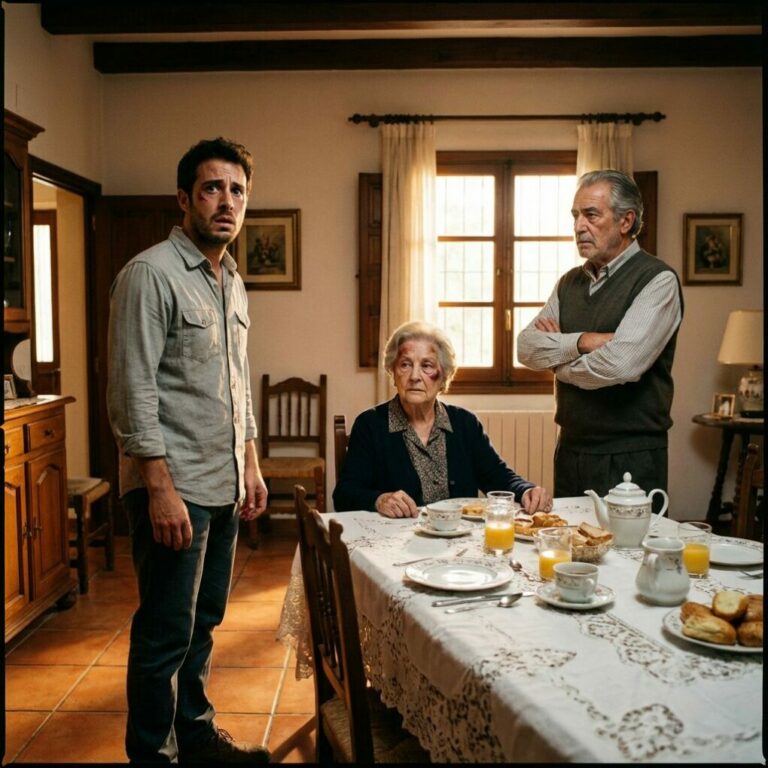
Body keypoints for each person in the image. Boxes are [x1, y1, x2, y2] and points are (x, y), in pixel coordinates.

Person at [107, 138, 270, 764]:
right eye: (211, 188)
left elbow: (236, 380)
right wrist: (158, 486)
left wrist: (251, 464)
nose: (226, 201)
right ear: (184, 199)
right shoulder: (151, 274)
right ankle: (154, 755)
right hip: (173, 488)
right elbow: (131, 389)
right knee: (165, 633)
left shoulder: (230, 279)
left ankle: (195, 736)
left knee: (202, 624)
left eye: (237, 190)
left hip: (222, 480)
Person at [517, 169, 683, 506]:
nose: (579, 226)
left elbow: (620, 366)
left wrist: (559, 366)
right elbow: (525, 347)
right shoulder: (568, 283)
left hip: (630, 456)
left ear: (626, 222)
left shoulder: (658, 280)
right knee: (571, 554)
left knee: (628, 556)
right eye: (576, 216)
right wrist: (582, 342)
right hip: (571, 449)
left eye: (591, 215)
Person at [333, 320, 552, 516]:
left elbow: (498, 476)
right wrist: (379, 500)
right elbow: (344, 494)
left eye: (427, 366)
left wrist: (526, 490)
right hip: (398, 546)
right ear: (393, 372)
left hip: (460, 543)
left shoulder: (465, 424)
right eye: (405, 364)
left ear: (444, 376)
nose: (415, 376)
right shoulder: (370, 425)